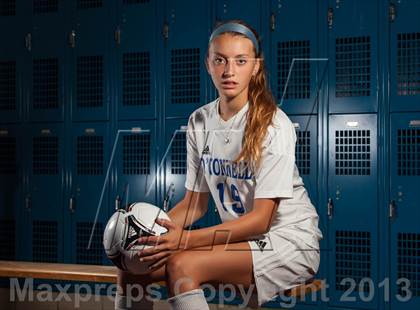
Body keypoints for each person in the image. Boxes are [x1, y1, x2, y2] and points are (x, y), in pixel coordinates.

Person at [115, 19, 323, 310]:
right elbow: (194, 205)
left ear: (256, 66)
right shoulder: (199, 121)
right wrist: (146, 233)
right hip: (243, 243)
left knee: (183, 265)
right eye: (220, 60)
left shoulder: (274, 124)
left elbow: (261, 220)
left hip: (289, 241)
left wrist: (184, 240)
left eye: (241, 61)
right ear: (208, 64)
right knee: (133, 266)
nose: (229, 71)